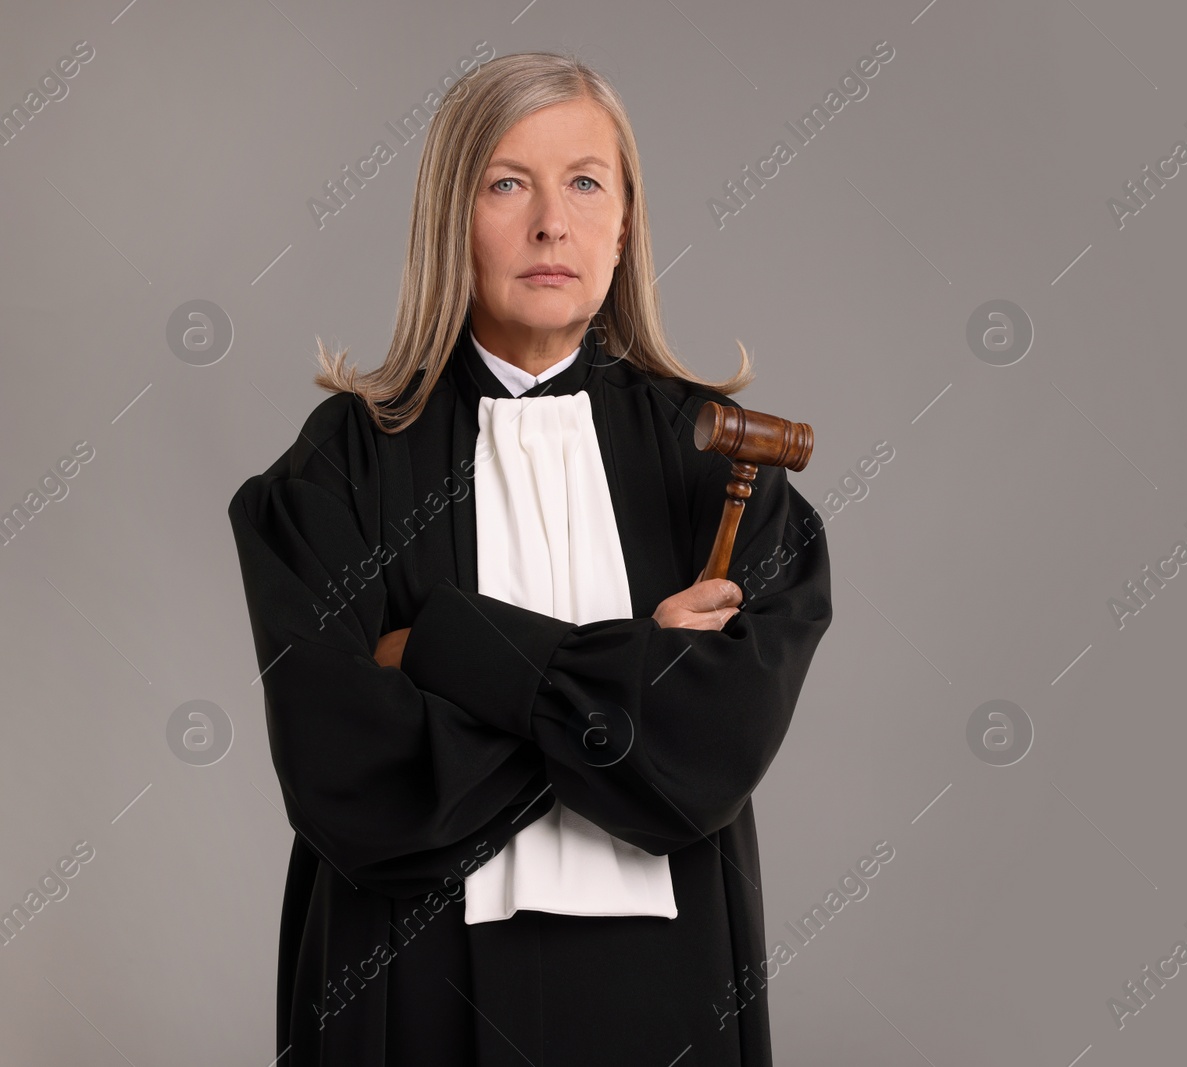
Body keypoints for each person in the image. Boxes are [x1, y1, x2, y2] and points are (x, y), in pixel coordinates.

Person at [227, 50, 832, 1066]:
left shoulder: (723, 466)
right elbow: (348, 775)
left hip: (668, 983)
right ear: (448, 217)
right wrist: (633, 673)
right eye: (507, 183)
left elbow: (707, 754)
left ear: (625, 219)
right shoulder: (336, 466)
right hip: (407, 977)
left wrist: (443, 645)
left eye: (585, 182)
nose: (553, 222)